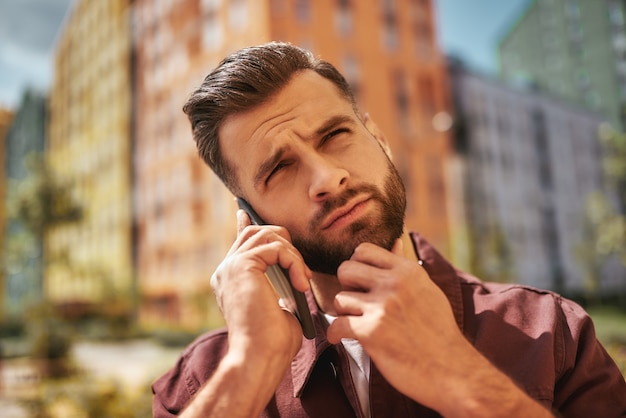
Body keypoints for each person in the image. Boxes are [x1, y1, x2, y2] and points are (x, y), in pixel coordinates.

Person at [152, 42, 626, 417]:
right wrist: (247, 370)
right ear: (250, 218)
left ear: (378, 139)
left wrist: (463, 380)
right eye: (279, 169)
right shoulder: (198, 382)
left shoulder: (554, 333)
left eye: (336, 136)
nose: (326, 178)